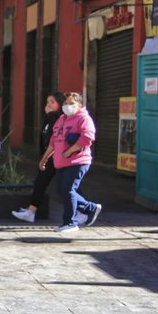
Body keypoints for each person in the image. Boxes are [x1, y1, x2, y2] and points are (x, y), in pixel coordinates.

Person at [12, 92, 89, 224]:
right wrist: (44, 157)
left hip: (63, 157)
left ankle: (85, 210)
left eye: (52, 102)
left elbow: (68, 135)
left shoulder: (62, 118)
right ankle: (31, 212)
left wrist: (51, 115)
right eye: (47, 102)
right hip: (52, 157)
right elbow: (50, 139)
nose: (48, 105)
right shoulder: (50, 118)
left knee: (68, 186)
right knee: (42, 183)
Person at [38, 92, 102, 232]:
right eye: (65, 104)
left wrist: (70, 151)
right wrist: (45, 158)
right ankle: (90, 208)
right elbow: (53, 141)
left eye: (71, 104)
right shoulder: (61, 119)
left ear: (80, 105)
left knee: (68, 190)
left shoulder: (84, 118)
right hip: (62, 162)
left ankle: (70, 222)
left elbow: (87, 138)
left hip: (78, 161)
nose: (67, 106)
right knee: (61, 190)